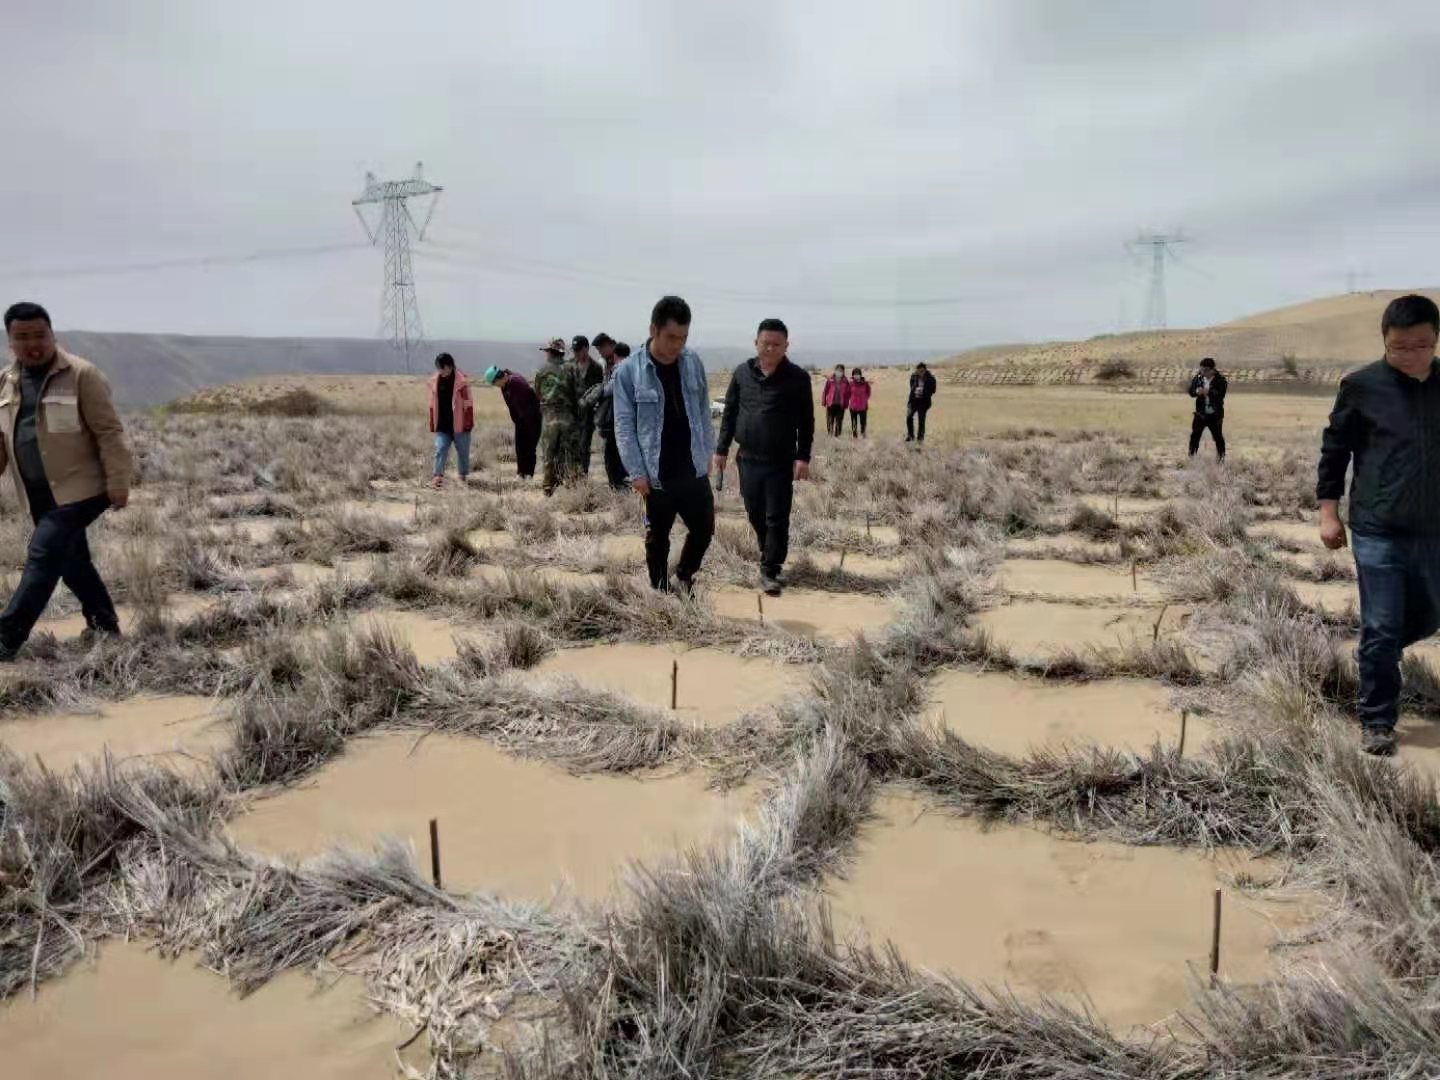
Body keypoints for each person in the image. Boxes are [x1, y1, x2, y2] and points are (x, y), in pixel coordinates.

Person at [1317, 293, 1440, 757]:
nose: (1411, 355)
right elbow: (1335, 451)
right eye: (1399, 347)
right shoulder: (1361, 386)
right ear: (1384, 341)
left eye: (1422, 345)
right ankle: (1377, 719)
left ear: (1436, 339)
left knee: (1429, 616)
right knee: (1384, 625)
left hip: (1434, 530)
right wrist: (1328, 513)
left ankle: (1374, 652)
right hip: (1378, 527)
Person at [0, 301, 132, 660]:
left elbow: (109, 432)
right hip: (38, 491)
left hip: (82, 489)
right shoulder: (6, 381)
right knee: (72, 561)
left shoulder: (81, 374)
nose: (33, 344)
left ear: (52, 334)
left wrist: (118, 482)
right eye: (22, 337)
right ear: (10, 341)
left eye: (39, 335)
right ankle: (104, 625)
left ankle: (7, 637)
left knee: (43, 555)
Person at [613, 296, 715, 594]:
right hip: (654, 472)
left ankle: (683, 576)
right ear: (653, 330)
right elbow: (624, 425)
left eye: (683, 337)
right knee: (658, 537)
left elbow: (703, 410)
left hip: (692, 465)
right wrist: (636, 472)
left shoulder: (692, 362)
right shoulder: (629, 371)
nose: (677, 345)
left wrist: (707, 451)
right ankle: (660, 591)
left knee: (704, 529)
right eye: (671, 337)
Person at [715, 317, 814, 596]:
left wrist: (803, 457)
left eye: (776, 344)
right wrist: (721, 449)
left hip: (780, 460)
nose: (770, 348)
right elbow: (729, 413)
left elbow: (806, 421)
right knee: (754, 512)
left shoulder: (797, 378)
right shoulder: (742, 373)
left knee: (776, 516)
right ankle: (768, 552)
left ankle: (770, 568)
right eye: (765, 343)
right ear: (756, 342)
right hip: (747, 458)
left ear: (786, 346)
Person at [584, 341, 630, 490]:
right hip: (626, 418)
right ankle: (621, 483)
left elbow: (610, 390)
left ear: (615, 355)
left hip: (615, 417)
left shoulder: (620, 369)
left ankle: (617, 485)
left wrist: (599, 390)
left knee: (612, 454)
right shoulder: (633, 368)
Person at [483, 366, 542, 479]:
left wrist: (528, 423)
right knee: (520, 447)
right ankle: (521, 473)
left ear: (498, 378)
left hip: (532, 419)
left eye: (494, 383)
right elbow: (512, 406)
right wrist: (518, 422)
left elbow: (530, 404)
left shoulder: (517, 382)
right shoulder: (504, 386)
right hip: (520, 421)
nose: (495, 386)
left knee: (530, 447)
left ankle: (528, 475)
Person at [427, 352, 475, 488]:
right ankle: (437, 476)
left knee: (463, 451)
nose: (439, 371)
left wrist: (468, 423)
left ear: (449, 366)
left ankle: (462, 476)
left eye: (441, 368)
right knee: (440, 449)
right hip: (443, 424)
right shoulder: (435, 381)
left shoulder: (462, 382)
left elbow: (468, 404)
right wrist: (432, 421)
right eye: (438, 368)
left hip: (460, 424)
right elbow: (432, 405)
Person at [571, 334, 604, 474]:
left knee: (584, 447)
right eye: (574, 350)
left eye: (579, 350)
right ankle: (570, 475)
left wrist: (587, 403)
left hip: (587, 415)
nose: (576, 353)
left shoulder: (596, 368)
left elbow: (598, 390)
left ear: (586, 349)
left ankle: (582, 476)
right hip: (571, 414)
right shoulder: (569, 366)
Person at [1187, 357, 1227, 460]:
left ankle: (1221, 459)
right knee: (1195, 436)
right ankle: (1192, 457)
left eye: (1205, 370)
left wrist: (1208, 392)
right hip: (1200, 413)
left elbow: (1221, 394)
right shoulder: (1198, 378)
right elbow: (1191, 391)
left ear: (1212, 370)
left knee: (1217, 437)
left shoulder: (1220, 380)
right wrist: (1196, 392)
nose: (1202, 372)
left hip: (1215, 415)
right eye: (1201, 369)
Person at [906, 362, 937, 443]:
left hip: (924, 402)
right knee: (909, 417)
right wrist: (911, 399)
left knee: (921, 420)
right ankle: (910, 436)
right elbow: (912, 388)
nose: (920, 373)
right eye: (919, 371)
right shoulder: (913, 377)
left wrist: (923, 391)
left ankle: (920, 439)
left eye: (922, 371)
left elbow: (933, 390)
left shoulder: (931, 379)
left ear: (925, 370)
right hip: (914, 400)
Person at [821, 364, 850, 437]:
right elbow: (825, 391)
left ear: (843, 372)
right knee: (830, 420)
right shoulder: (830, 380)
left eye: (841, 371)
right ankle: (830, 434)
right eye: (838, 370)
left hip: (841, 404)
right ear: (835, 371)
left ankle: (837, 436)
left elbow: (848, 394)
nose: (839, 372)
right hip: (831, 403)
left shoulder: (845, 381)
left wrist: (846, 404)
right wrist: (824, 401)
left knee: (839, 421)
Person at [847, 367, 871, 437]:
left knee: (863, 422)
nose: (856, 376)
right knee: (854, 423)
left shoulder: (865, 384)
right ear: (853, 376)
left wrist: (865, 399)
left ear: (860, 375)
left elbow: (868, 392)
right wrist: (851, 400)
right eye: (855, 374)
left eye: (858, 374)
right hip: (853, 407)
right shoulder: (850, 384)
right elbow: (847, 393)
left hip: (863, 406)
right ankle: (855, 436)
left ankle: (863, 435)